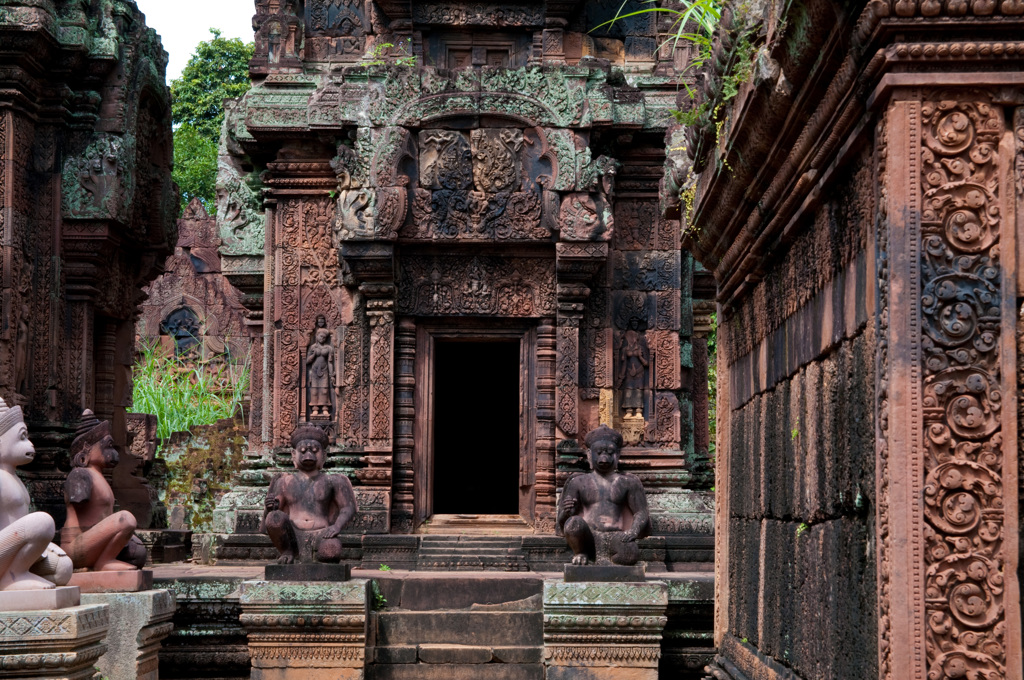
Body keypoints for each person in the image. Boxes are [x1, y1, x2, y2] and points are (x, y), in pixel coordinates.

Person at [0, 398, 72, 590]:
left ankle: (15, 572)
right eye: (22, 438)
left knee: (63, 568)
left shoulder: (13, 478)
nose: (30, 444)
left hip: (11, 552)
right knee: (42, 522)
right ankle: (12, 578)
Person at [61, 410, 145, 571]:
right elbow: (77, 501)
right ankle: (104, 562)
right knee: (126, 519)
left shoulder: (97, 477)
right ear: (86, 451)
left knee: (137, 551)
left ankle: (104, 560)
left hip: (95, 542)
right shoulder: (80, 474)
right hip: (76, 546)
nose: (112, 452)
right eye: (107, 446)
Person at [261, 424, 357, 564]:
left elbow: (348, 508)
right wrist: (270, 507)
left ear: (323, 455)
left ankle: (317, 555)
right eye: (303, 450)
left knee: (332, 551)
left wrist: (336, 526)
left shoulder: (332, 481)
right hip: (292, 535)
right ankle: (287, 552)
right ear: (293, 455)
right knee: (274, 517)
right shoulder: (283, 482)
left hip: (322, 533)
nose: (308, 455)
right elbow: (274, 515)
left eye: (314, 450)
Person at [557, 424, 651, 566]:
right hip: (588, 537)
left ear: (617, 454)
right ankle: (581, 553)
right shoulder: (578, 481)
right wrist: (566, 511)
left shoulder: (628, 482)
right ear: (589, 454)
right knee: (574, 524)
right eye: (599, 453)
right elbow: (562, 522)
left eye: (609, 452)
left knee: (631, 553)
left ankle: (606, 562)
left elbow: (641, 512)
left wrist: (633, 531)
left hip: (616, 536)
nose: (604, 458)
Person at [306, 316, 336, 417]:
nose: (322, 339)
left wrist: (332, 374)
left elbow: (330, 362)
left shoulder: (328, 348)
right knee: (314, 390)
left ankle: (325, 408)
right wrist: (313, 354)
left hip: (325, 371)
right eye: (320, 336)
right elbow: (307, 361)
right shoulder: (313, 347)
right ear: (317, 336)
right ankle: (315, 408)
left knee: (324, 390)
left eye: (324, 337)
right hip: (314, 371)